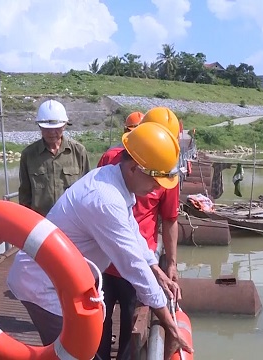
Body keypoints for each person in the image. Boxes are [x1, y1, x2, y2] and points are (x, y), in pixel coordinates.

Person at [7, 121, 193, 358]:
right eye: (156, 179)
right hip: (43, 285)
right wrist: (170, 324)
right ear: (134, 168)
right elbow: (132, 265)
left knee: (80, 350)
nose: (157, 188)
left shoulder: (114, 180)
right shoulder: (105, 199)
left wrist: (157, 270)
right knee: (70, 354)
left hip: (65, 281)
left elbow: (133, 232)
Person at [96, 107, 182, 360]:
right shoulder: (112, 162)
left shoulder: (166, 174)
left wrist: (169, 265)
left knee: (132, 323)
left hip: (137, 257)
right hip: (103, 259)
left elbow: (169, 219)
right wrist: (168, 321)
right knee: (98, 317)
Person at [18, 99, 90, 216]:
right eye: (47, 128)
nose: (52, 132)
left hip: (72, 221)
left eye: (56, 128)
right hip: (41, 222)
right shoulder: (28, 154)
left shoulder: (78, 151)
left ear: (65, 125)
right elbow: (25, 194)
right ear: (39, 127)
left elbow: (87, 190)